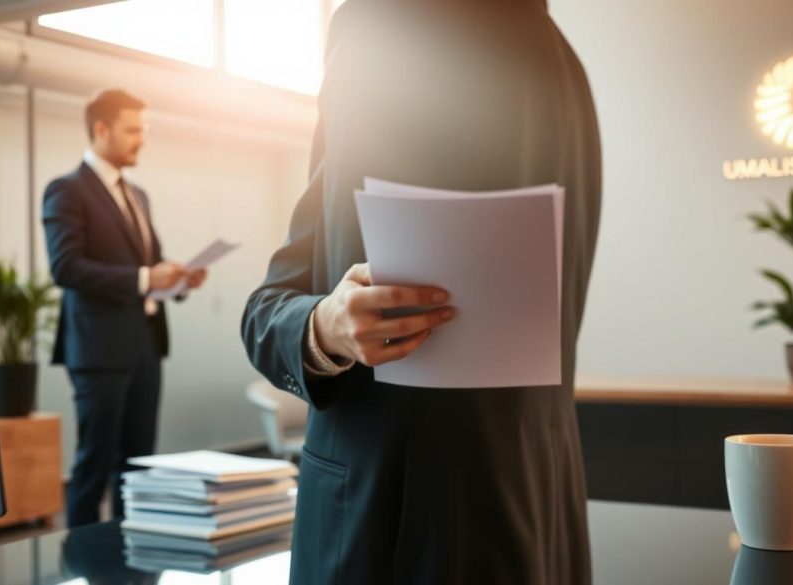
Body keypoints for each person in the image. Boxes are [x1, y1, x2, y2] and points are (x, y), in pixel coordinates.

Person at [241, 1, 601, 583]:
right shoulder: (564, 66)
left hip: (388, 523)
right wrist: (324, 326)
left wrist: (324, 325)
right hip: (535, 510)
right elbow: (277, 301)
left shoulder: (380, 27)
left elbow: (270, 304)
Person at [43, 89, 208, 528]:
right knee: (94, 466)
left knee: (138, 467)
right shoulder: (66, 190)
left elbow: (148, 268)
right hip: (98, 352)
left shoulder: (138, 194)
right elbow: (66, 267)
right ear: (101, 129)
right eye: (133, 130)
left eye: (144, 130)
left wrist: (176, 280)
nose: (142, 140)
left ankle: (130, 563)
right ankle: (83, 564)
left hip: (145, 348)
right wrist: (143, 278)